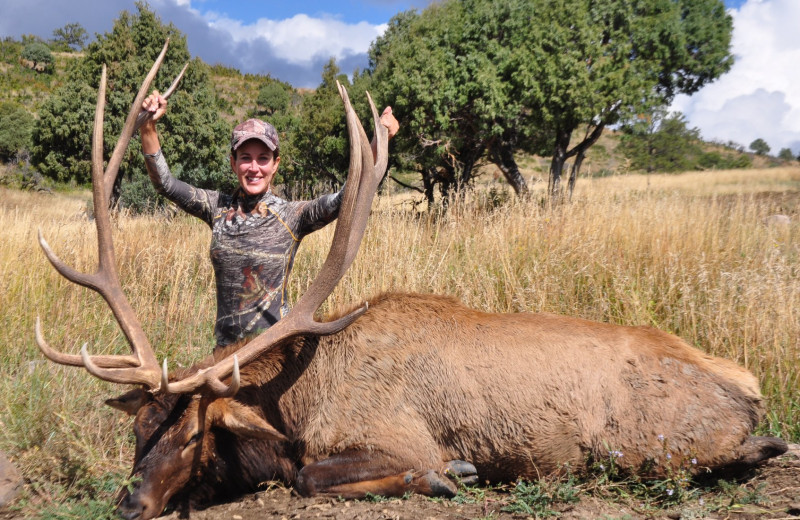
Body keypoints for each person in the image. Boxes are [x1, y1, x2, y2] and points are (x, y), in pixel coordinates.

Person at [140, 90, 399, 349]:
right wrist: (148, 127)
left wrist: (379, 141)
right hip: (224, 358)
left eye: (263, 158)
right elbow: (165, 184)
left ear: (275, 164)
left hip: (273, 355)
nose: (254, 167)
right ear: (233, 163)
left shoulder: (292, 217)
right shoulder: (216, 207)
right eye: (245, 158)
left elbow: (348, 196)